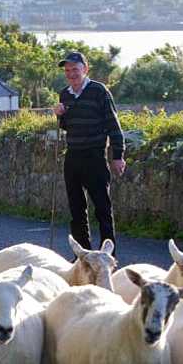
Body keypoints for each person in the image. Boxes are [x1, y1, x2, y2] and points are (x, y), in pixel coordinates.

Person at [53, 51, 125, 255]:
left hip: (95, 156)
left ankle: (108, 257)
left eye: (75, 69)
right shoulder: (64, 94)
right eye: (67, 70)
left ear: (85, 69)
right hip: (73, 156)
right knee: (76, 211)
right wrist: (60, 115)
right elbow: (66, 126)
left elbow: (113, 125)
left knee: (103, 209)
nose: (71, 74)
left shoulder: (99, 91)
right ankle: (82, 257)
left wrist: (118, 156)